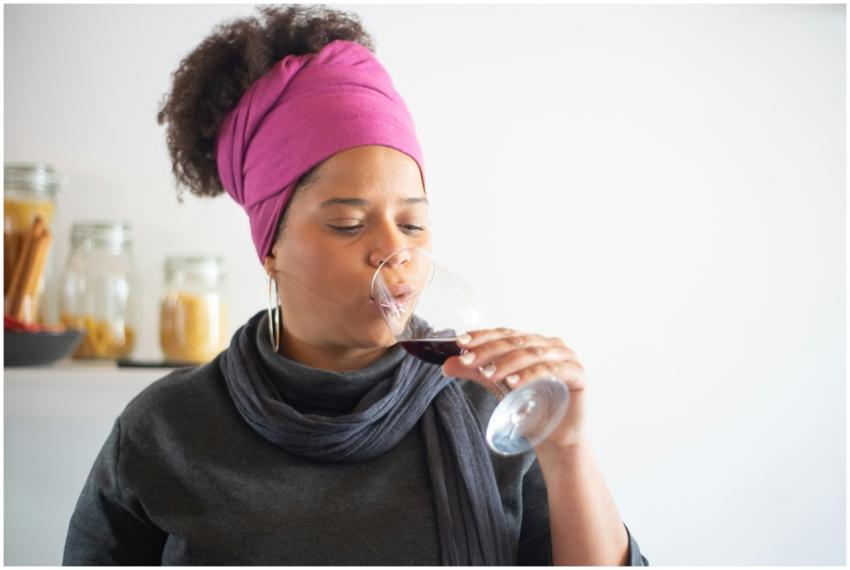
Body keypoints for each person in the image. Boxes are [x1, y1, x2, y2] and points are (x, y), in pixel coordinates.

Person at [63, 5, 649, 566]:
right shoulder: (166, 429)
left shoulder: (495, 408)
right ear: (270, 248)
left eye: (414, 224)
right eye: (347, 223)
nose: (395, 252)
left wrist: (568, 451)